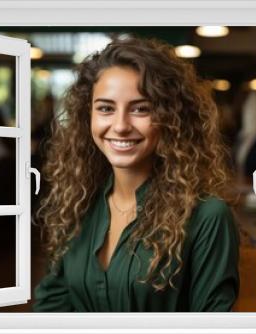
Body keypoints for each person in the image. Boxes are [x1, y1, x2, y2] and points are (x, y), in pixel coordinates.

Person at [33, 37, 239, 312]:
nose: (120, 126)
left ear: (170, 118)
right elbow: (52, 305)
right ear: (87, 116)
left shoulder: (207, 217)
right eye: (106, 108)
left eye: (141, 108)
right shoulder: (77, 203)